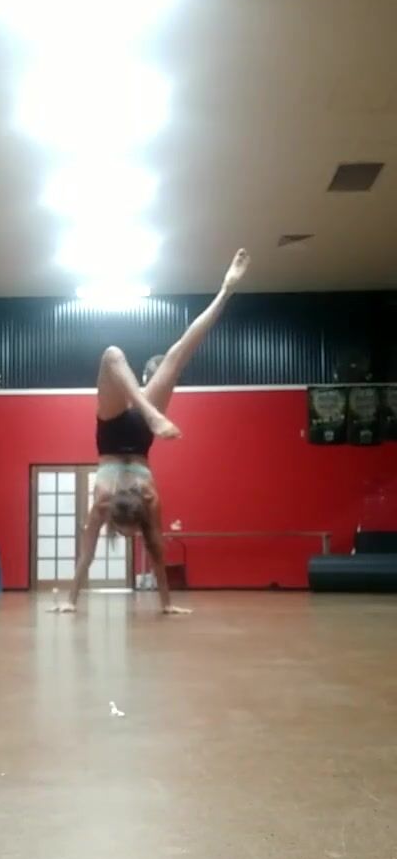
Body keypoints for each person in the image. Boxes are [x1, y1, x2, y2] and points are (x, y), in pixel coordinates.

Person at [53, 249, 251, 614]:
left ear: (114, 517)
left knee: (113, 355)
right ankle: (225, 290)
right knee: (176, 356)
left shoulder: (102, 503)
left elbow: (86, 556)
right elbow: (155, 553)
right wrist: (166, 606)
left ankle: (149, 410)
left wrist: (70, 602)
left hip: (120, 429)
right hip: (141, 432)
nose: (130, 536)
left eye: (125, 532)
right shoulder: (149, 501)